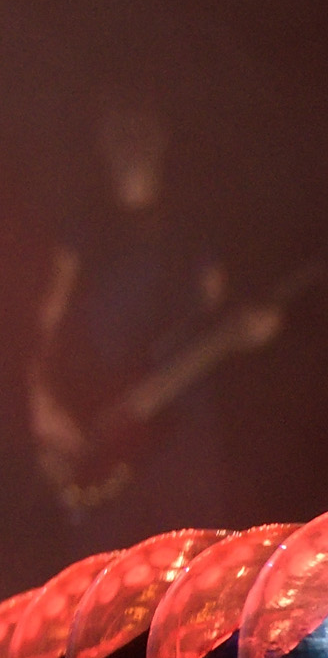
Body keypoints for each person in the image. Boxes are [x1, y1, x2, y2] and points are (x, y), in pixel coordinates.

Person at [28, 96, 281, 547]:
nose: (131, 143)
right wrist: (43, 403)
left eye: (141, 129)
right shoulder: (84, 229)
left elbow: (222, 320)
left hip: (181, 437)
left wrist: (252, 334)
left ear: (162, 138)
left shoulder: (195, 230)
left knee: (201, 561)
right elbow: (46, 320)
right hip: (103, 429)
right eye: (120, 130)